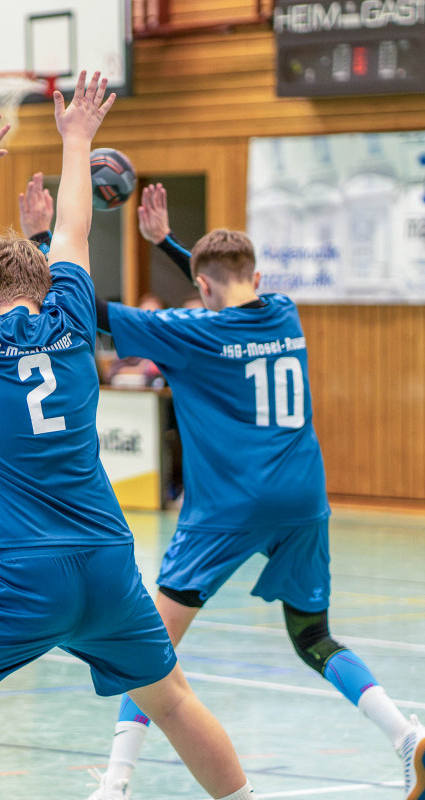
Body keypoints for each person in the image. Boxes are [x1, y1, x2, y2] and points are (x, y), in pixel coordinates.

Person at [0, 74, 256, 800]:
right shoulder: (70, 321)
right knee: (171, 700)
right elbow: (73, 232)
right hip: (106, 563)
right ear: (45, 287)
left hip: (20, 574)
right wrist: (78, 139)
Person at [82, 183, 425, 800]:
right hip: (303, 499)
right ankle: (407, 739)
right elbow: (224, 282)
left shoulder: (193, 333)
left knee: (148, 647)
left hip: (228, 507)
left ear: (201, 287)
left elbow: (97, 310)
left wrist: (43, 239)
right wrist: (169, 245)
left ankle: (115, 783)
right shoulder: (284, 311)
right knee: (314, 637)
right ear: (259, 277)